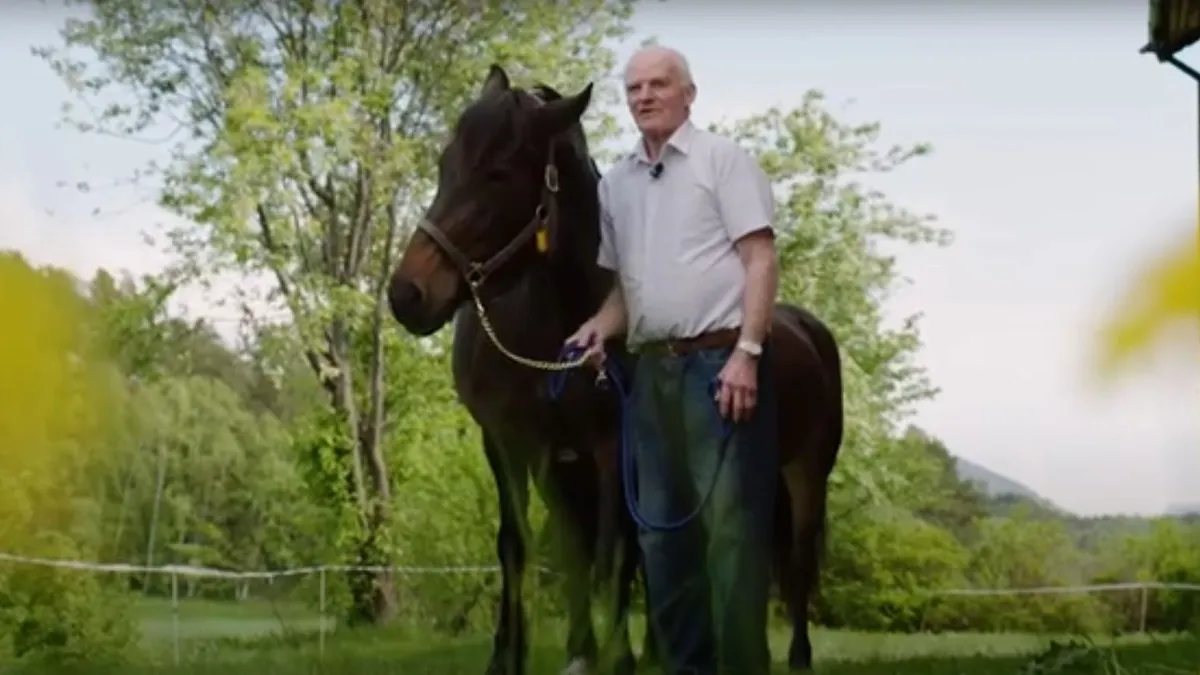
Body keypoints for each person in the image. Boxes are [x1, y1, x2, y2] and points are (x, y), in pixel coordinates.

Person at [565, 45, 780, 675]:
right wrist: (598, 330)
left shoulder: (723, 162)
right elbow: (626, 293)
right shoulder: (617, 184)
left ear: (689, 92)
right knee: (661, 538)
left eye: (659, 84)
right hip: (649, 375)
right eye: (633, 88)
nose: (644, 96)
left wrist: (748, 353)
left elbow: (760, 259)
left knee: (733, 540)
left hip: (719, 370)